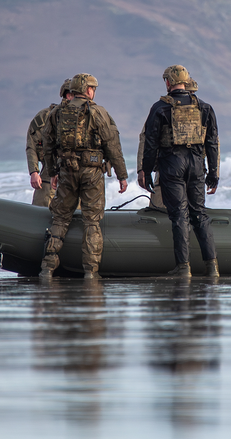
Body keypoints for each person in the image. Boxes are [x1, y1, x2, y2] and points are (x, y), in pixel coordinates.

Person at [39, 73, 129, 280]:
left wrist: (52, 172)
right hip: (92, 173)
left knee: (60, 218)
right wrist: (122, 175)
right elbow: (112, 145)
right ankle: (90, 271)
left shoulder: (57, 113)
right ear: (88, 90)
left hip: (66, 171)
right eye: (93, 88)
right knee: (92, 222)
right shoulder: (98, 112)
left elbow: (47, 142)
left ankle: (48, 266)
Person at [140, 66, 220, 277]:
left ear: (168, 82)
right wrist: (213, 173)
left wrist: (146, 171)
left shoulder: (159, 108)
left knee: (179, 216)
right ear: (186, 82)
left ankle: (183, 267)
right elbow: (212, 143)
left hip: (172, 165)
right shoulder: (205, 107)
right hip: (196, 165)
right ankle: (212, 267)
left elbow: (150, 144)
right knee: (200, 214)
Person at [135, 77, 199, 210]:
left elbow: (212, 142)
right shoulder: (164, 110)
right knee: (160, 210)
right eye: (189, 92)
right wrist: (142, 169)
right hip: (166, 171)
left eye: (192, 93)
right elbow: (147, 138)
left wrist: (213, 173)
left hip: (192, 174)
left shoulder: (200, 111)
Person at [26, 79, 71, 207]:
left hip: (75, 178)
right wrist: (34, 172)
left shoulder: (88, 117)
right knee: (42, 213)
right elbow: (32, 145)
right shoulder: (45, 117)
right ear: (69, 95)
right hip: (48, 176)